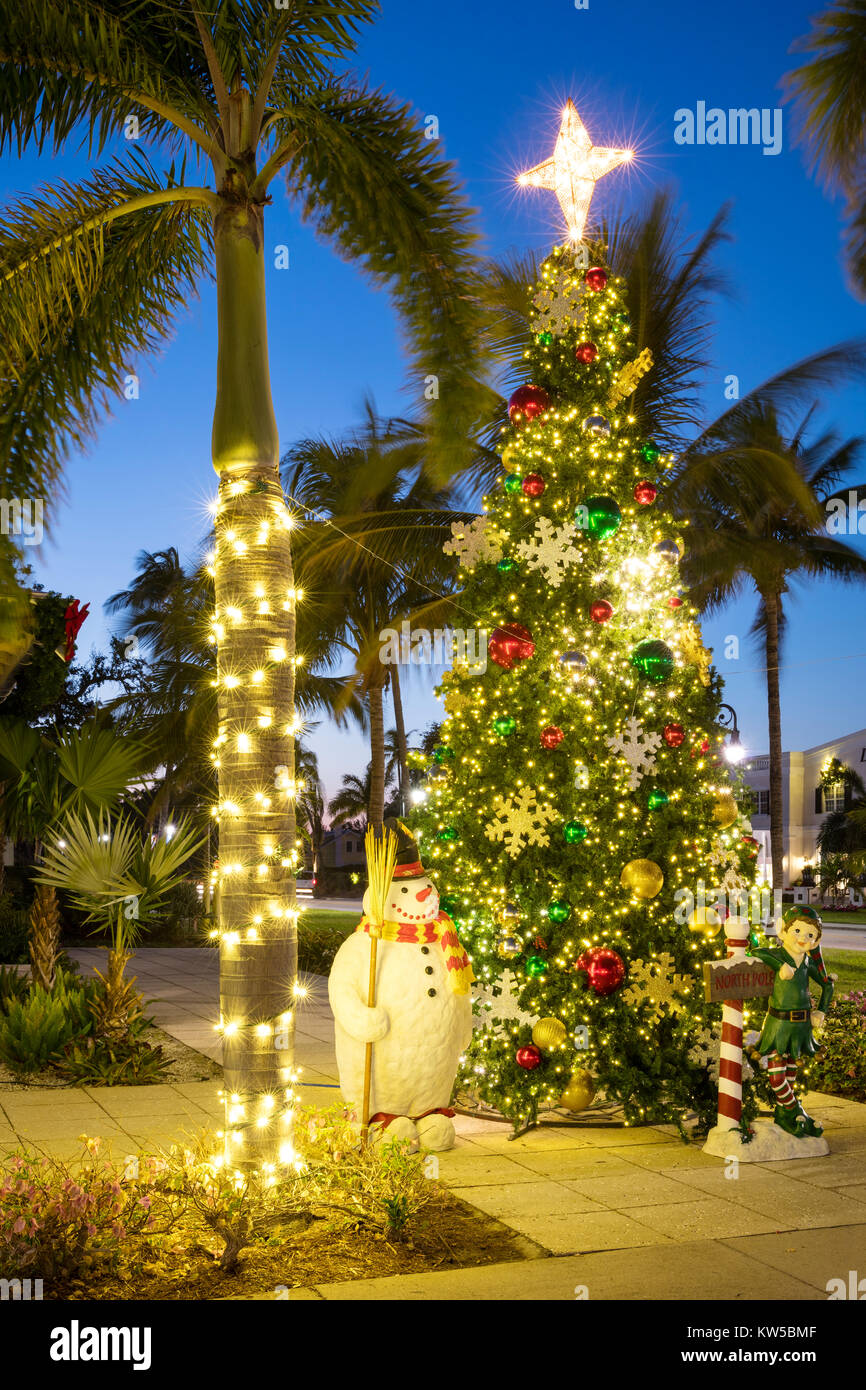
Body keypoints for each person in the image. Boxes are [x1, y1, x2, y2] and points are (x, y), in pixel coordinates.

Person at [748, 905, 834, 1138]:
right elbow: (755, 952)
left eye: (810, 935)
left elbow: (827, 984)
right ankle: (796, 1110)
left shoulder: (807, 963)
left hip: (801, 1025)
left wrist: (821, 1012)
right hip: (779, 1024)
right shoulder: (780, 955)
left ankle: (786, 1115)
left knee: (790, 1073)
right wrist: (779, 966)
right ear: (783, 931)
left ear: (815, 941)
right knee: (777, 1074)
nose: (802, 939)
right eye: (797, 931)